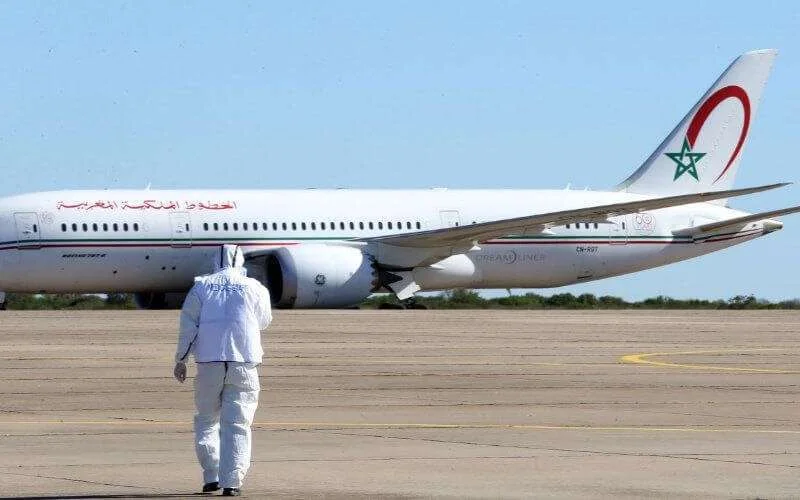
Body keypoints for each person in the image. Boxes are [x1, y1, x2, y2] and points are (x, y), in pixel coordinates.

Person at [174, 244, 272, 496]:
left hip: (208, 362)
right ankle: (232, 483)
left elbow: (188, 325)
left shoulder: (202, 287)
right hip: (244, 362)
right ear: (241, 261)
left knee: (206, 419)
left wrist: (181, 359)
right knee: (238, 423)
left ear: (214, 262)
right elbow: (264, 320)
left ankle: (211, 476)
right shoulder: (254, 287)